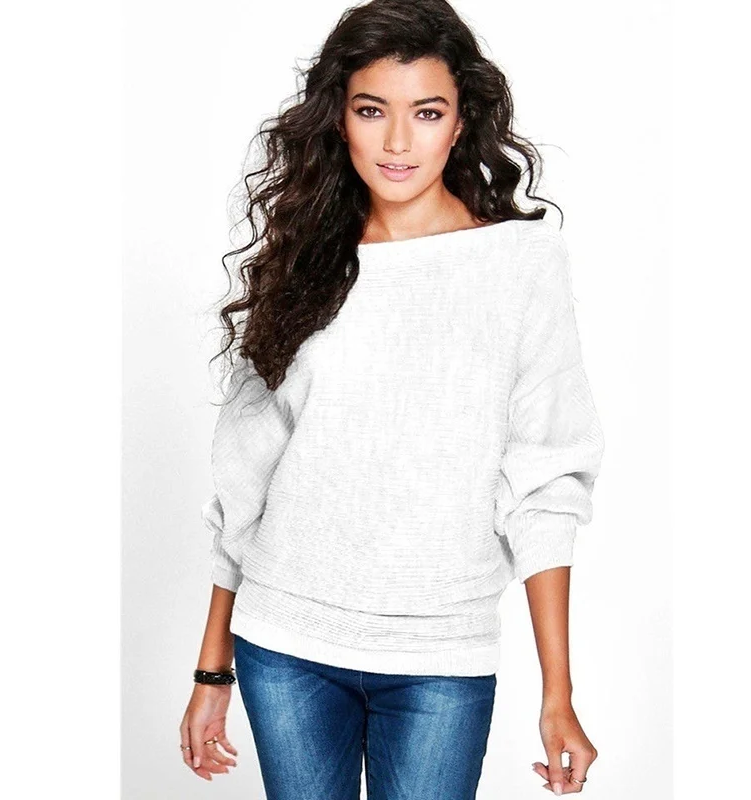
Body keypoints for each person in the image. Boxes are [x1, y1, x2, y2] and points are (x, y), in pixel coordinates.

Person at [179, 0, 605, 797]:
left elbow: (547, 482)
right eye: (372, 110)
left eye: (427, 112)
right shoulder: (302, 261)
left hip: (442, 654)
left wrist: (559, 694)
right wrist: (212, 672)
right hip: (287, 641)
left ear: (461, 121)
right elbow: (245, 486)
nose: (399, 141)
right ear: (339, 119)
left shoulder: (521, 264)